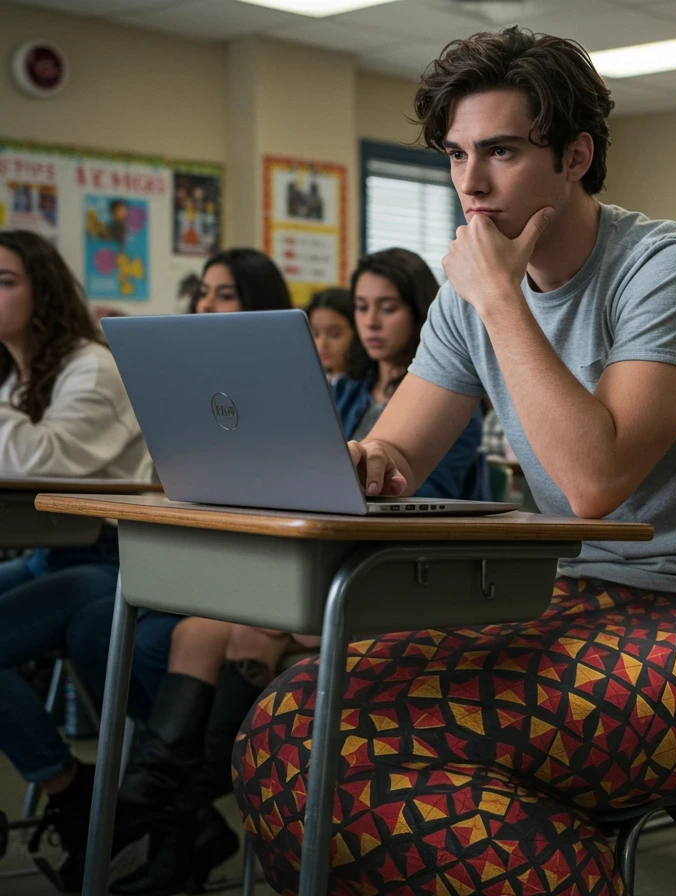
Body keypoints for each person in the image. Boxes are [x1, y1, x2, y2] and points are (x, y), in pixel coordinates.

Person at [228, 26, 676, 896]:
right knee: (289, 724)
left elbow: (596, 483)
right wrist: (370, 460)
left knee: (354, 744)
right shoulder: (469, 296)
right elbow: (402, 445)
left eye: (502, 152)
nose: (471, 186)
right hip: (575, 603)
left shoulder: (667, 268)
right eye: (456, 156)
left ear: (576, 155)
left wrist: (498, 298)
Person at [104, 248, 485, 896]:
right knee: (194, 631)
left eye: (386, 307)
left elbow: (422, 500)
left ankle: (170, 815)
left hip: (378, 568)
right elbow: (299, 464)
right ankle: (171, 808)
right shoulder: (340, 388)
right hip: (311, 557)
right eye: (360, 306)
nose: (370, 322)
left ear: (422, 312)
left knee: (247, 634)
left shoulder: (450, 407)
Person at [63, 249, 295, 895]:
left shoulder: (296, 388)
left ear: (260, 306)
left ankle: (166, 813)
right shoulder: (206, 395)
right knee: (102, 623)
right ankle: (172, 817)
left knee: (172, 628)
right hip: (221, 562)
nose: (206, 306)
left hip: (273, 571)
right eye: (204, 292)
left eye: (225, 294)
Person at [0, 230, 169, 890]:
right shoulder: (21, 373)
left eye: (6, 281)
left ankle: (71, 786)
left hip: (110, 558)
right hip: (53, 556)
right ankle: (71, 788)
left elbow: (45, 460)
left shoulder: (90, 367)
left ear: (44, 294)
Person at [307, 286, 366, 383]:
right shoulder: (310, 380)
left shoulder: (364, 387)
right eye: (315, 334)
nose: (322, 344)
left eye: (334, 334)